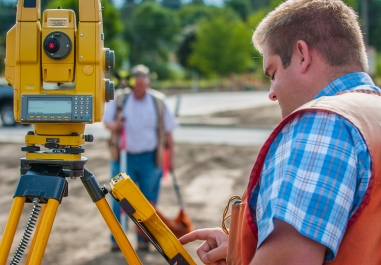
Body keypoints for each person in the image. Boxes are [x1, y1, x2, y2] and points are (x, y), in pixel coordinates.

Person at [179, 0, 381, 264]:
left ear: (302, 55)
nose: (272, 93)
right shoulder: (371, 115)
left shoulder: (322, 124)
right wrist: (245, 248)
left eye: (273, 72)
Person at [103, 64, 177, 251]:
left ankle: (144, 239)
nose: (138, 89)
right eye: (136, 85)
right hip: (122, 157)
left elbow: (169, 133)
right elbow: (107, 123)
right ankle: (117, 240)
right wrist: (116, 125)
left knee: (148, 201)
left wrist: (172, 159)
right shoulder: (120, 99)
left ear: (148, 83)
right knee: (119, 199)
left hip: (150, 158)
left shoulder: (158, 101)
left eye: (142, 85)